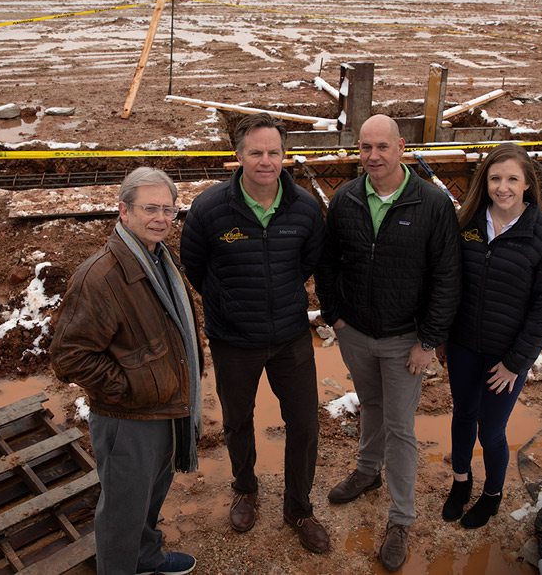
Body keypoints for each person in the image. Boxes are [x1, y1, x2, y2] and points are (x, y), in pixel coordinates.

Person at [315, 114, 461, 572]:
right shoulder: (345, 199)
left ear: (401, 148)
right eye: (365, 148)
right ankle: (366, 471)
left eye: (382, 147)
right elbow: (329, 262)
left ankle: (401, 518)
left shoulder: (432, 204)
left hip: (405, 341)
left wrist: (429, 340)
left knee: (400, 426)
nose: (373, 157)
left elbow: (446, 278)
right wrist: (336, 315)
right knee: (371, 405)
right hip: (356, 332)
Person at [180, 113, 330, 554]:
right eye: (256, 152)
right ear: (238, 155)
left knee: (304, 423)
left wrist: (279, 297)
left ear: (284, 155)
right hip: (234, 339)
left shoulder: (304, 208)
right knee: (237, 420)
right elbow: (195, 265)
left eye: (274, 153)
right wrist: (229, 300)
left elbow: (309, 262)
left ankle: (299, 507)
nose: (266, 161)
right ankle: (245, 488)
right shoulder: (210, 209)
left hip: (290, 336)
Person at [50, 167, 202, 575]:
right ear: (123, 211)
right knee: (122, 511)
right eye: (149, 208)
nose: (161, 218)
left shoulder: (159, 259)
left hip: (164, 408)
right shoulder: (101, 276)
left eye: (168, 210)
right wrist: (130, 386)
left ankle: (146, 556)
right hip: (127, 417)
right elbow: (68, 355)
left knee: (149, 497)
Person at [441, 143, 542, 529]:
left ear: (527, 183)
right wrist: (444, 338)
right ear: (485, 181)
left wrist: (516, 363)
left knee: (491, 429)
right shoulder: (469, 225)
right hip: (463, 346)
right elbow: (450, 283)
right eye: (495, 178)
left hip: (505, 357)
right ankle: (460, 482)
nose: (503, 187)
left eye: (512, 179)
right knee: (463, 415)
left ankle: (492, 495)